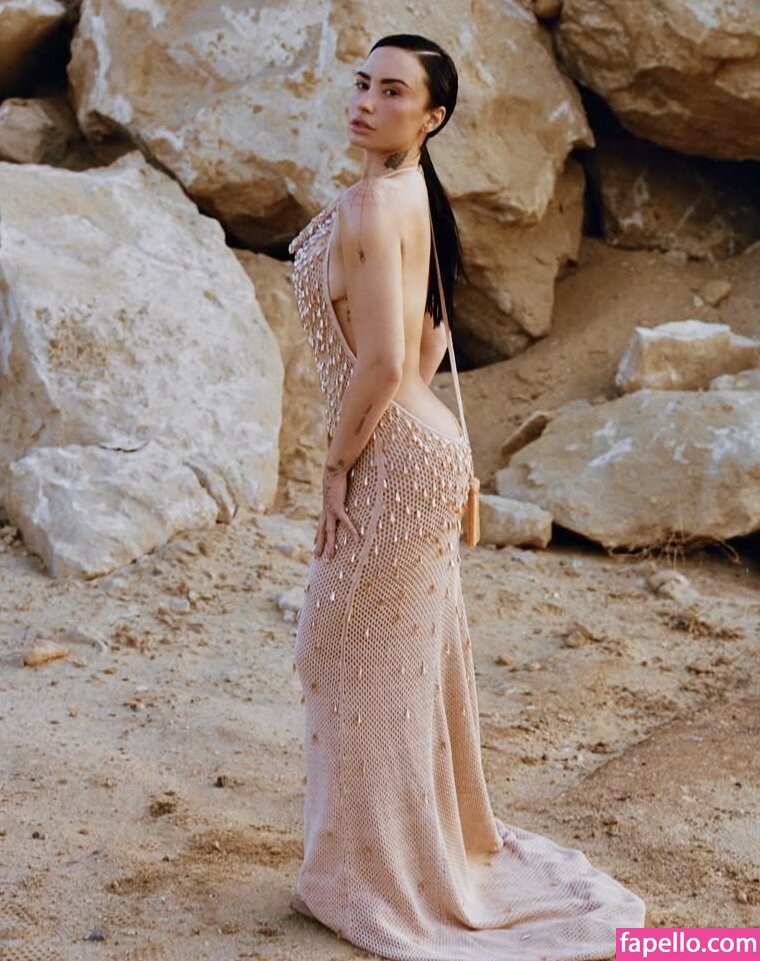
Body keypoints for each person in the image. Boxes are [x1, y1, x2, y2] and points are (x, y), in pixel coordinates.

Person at [286, 33, 646, 961]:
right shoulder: (412, 193)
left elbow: (382, 364)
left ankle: (375, 878)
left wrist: (336, 467)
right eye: (362, 83)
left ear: (432, 116)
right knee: (386, 662)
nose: (366, 101)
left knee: (344, 651)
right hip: (424, 448)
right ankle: (379, 859)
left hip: (394, 458)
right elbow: (430, 338)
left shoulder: (376, 204)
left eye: (392, 91)